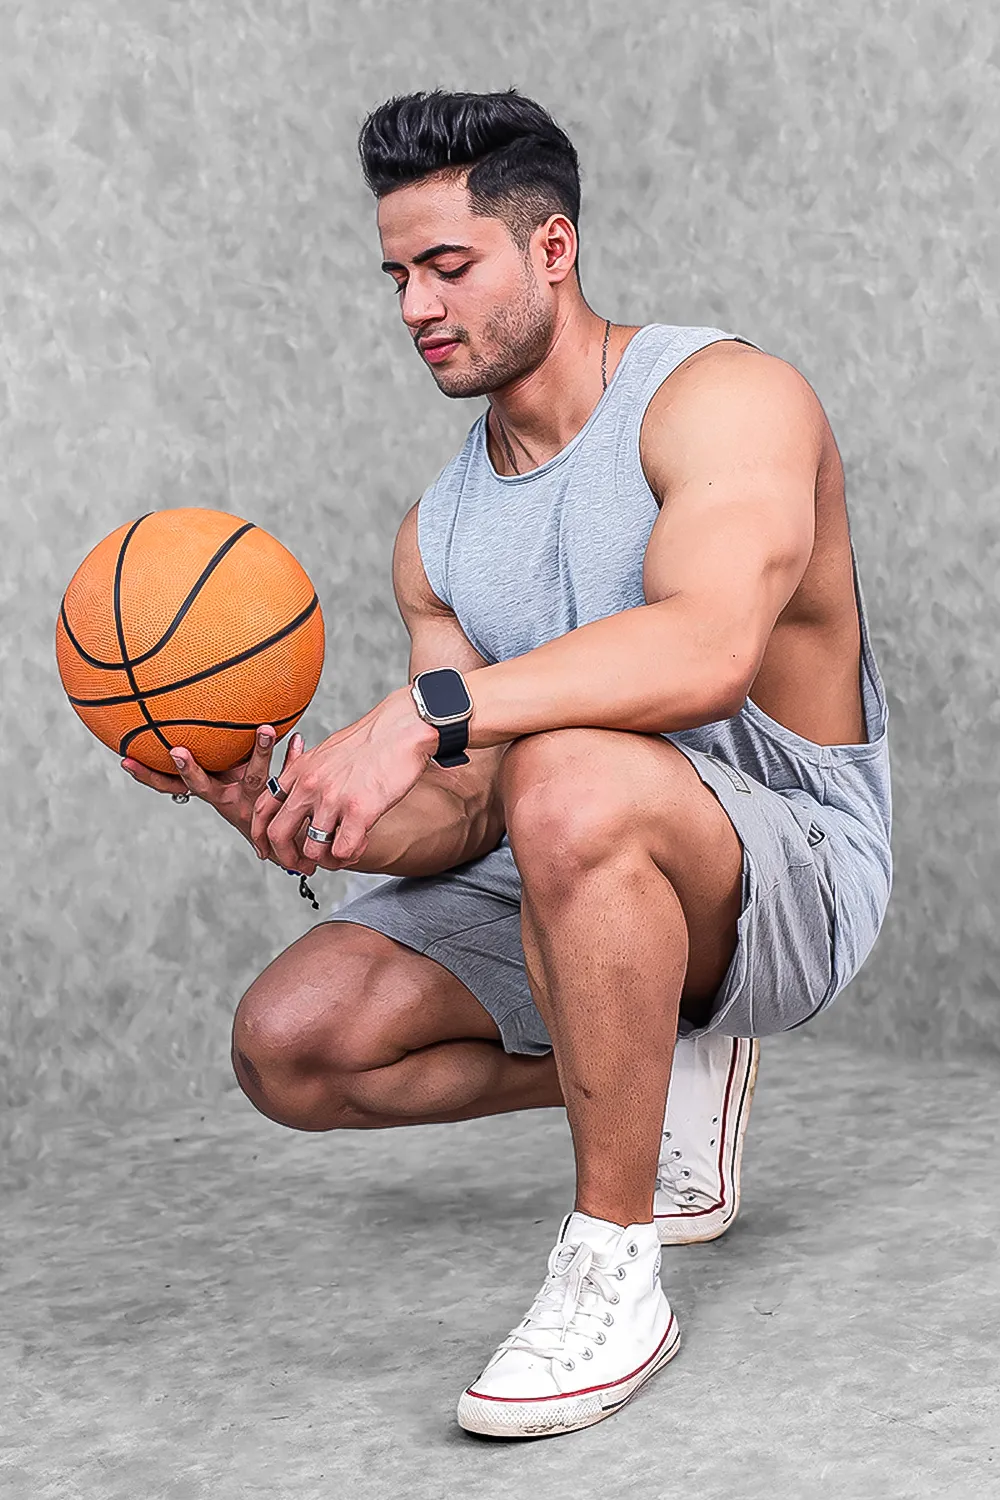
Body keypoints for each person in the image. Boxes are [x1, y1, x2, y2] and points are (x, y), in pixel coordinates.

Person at [124, 88, 892, 1440]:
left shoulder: (721, 400)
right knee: (292, 1047)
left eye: (447, 264)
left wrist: (425, 709)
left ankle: (614, 1268)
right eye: (397, 274)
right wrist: (327, 822)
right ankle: (669, 1067)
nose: (414, 304)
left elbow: (709, 645)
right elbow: (473, 800)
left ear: (552, 249)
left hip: (791, 865)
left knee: (571, 774)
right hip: (565, 855)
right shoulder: (439, 532)